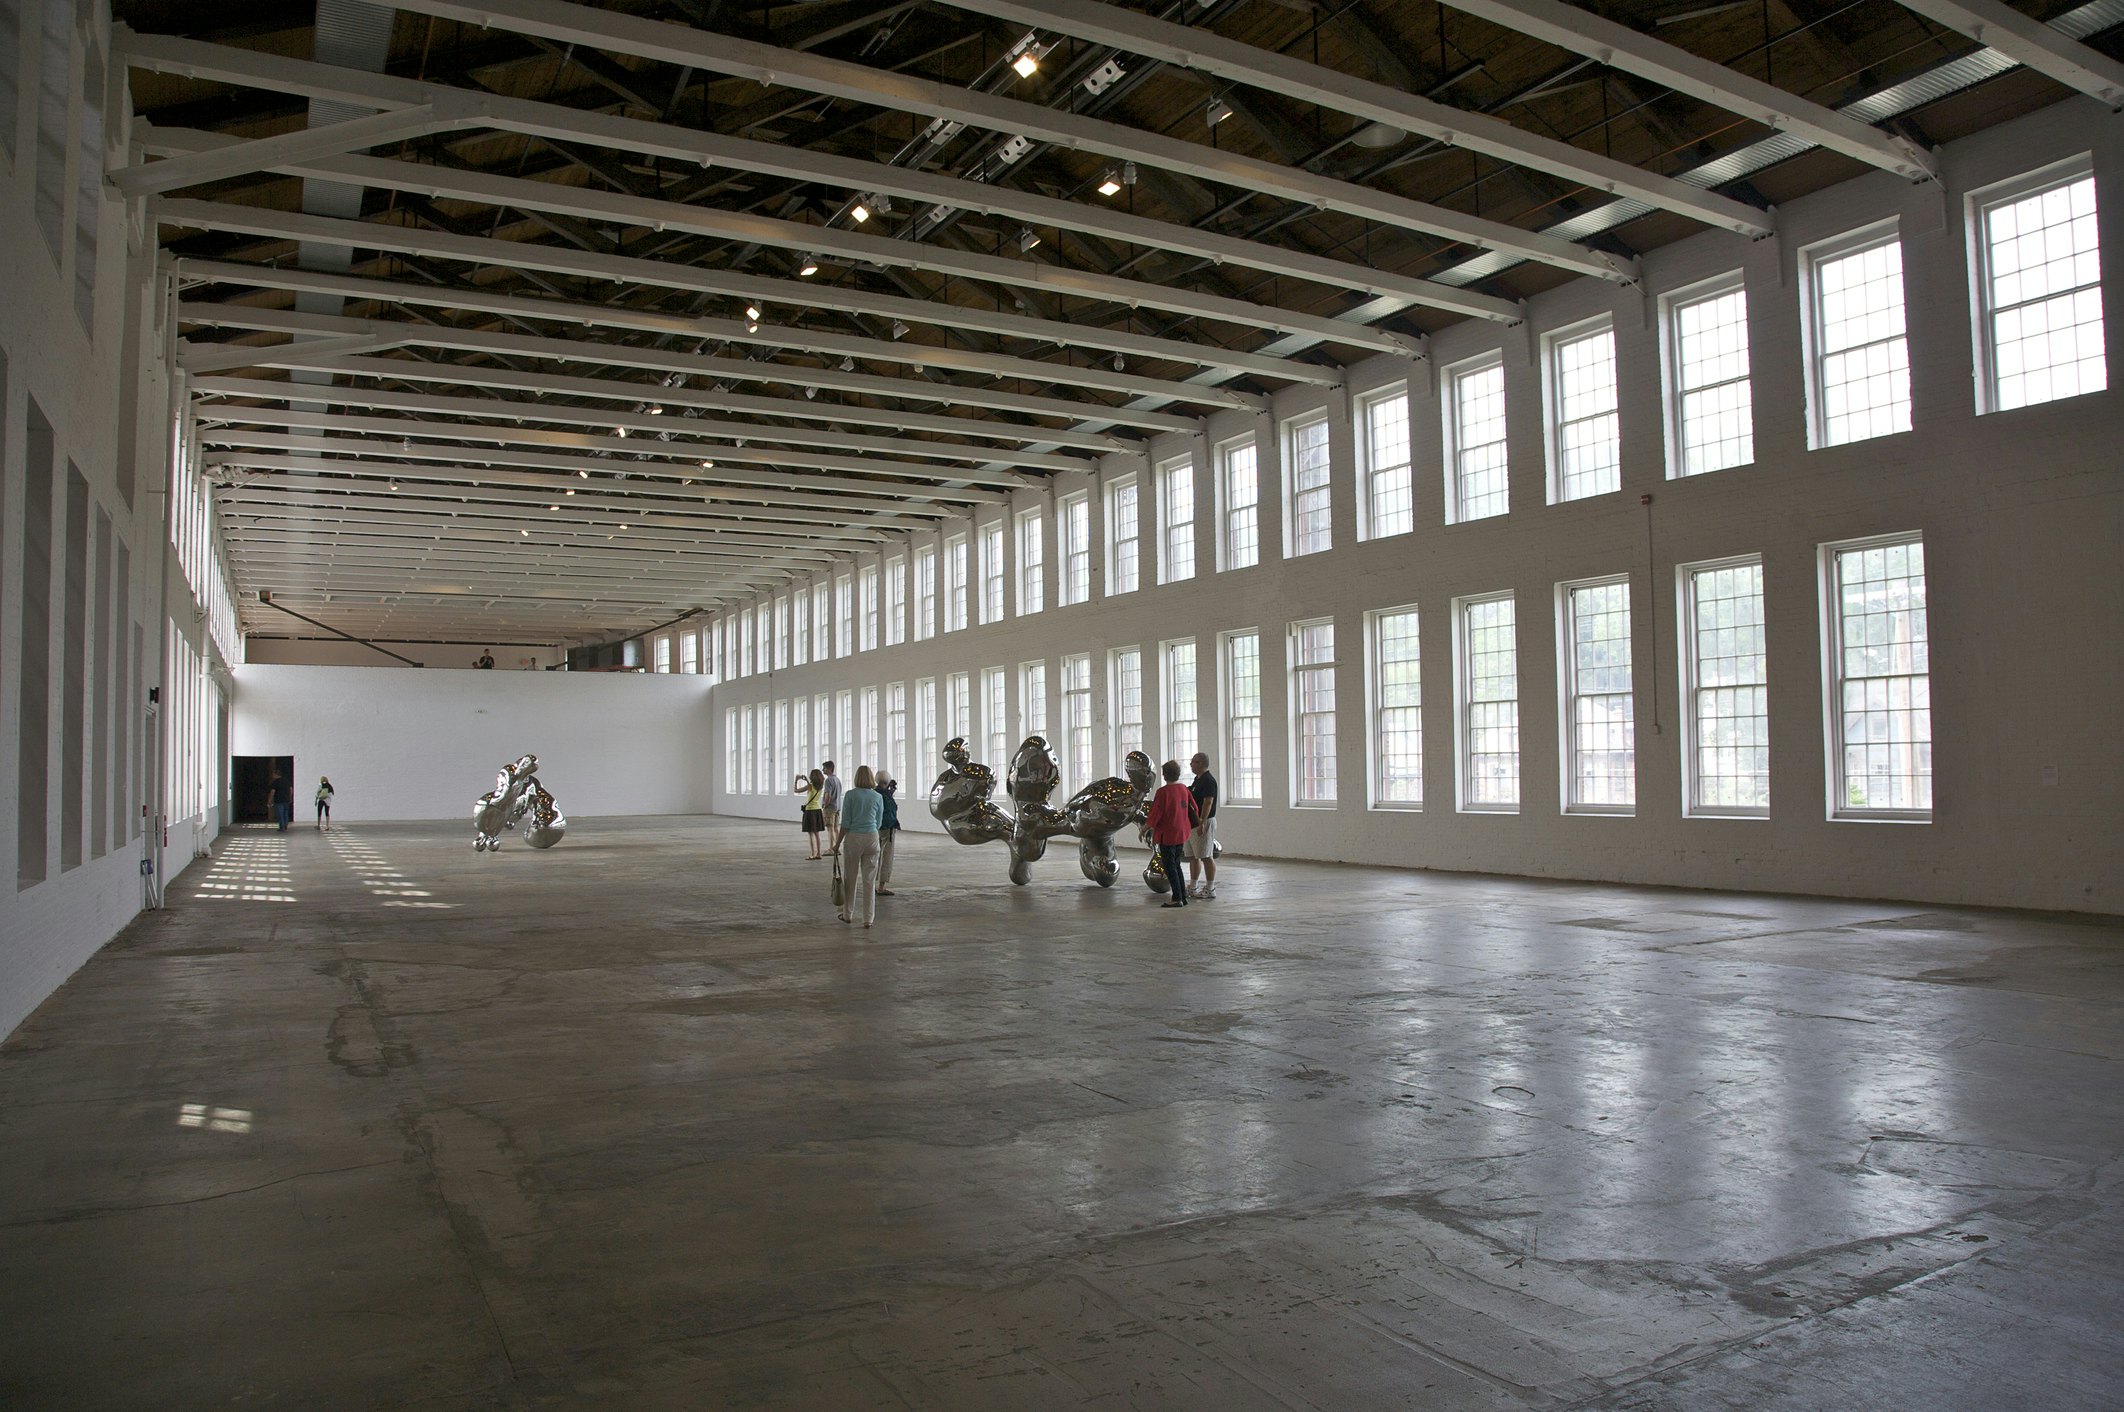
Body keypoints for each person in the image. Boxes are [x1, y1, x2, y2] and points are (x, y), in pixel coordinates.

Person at [836, 766, 885, 929]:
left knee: (850, 877)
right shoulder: (877, 796)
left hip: (853, 838)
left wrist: (836, 844)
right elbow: (879, 822)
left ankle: (848, 914)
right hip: (872, 837)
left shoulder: (850, 795)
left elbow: (845, 823)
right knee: (869, 880)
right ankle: (868, 919)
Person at [1147, 760, 1199, 908]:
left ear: (1164, 775)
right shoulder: (1184, 789)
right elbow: (1194, 807)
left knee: (1170, 867)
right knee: (1177, 865)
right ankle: (1182, 896)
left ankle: (1177, 898)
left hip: (1167, 834)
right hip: (1181, 833)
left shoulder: (1162, 792)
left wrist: (1145, 828)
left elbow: (1156, 813)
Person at [1186, 751, 1220, 899]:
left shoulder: (1208, 781)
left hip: (1203, 822)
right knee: (1193, 855)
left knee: (1206, 855)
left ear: (1201, 763)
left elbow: (1208, 802)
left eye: (1193, 762)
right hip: (1192, 822)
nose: (1191, 764)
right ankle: (1193, 885)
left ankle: (1210, 887)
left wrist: (1202, 821)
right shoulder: (1197, 780)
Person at [876, 772, 901, 896]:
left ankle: (874, 884)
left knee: (876, 856)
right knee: (886, 857)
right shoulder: (885, 795)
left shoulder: (875, 793)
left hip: (877, 828)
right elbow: (891, 811)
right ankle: (881, 886)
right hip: (888, 828)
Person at [799, 769, 826, 859]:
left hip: (810, 811)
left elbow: (796, 790)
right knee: (817, 834)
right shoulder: (820, 787)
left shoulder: (810, 786)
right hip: (818, 810)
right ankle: (818, 853)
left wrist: (796, 781)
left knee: (810, 834)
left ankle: (813, 854)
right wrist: (806, 780)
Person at [819, 760, 844, 851]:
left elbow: (828, 795)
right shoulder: (837, 779)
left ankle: (831, 848)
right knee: (836, 828)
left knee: (830, 829)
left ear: (829, 769)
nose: (823, 770)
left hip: (830, 807)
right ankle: (837, 847)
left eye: (824, 768)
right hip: (837, 807)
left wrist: (825, 805)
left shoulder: (828, 780)